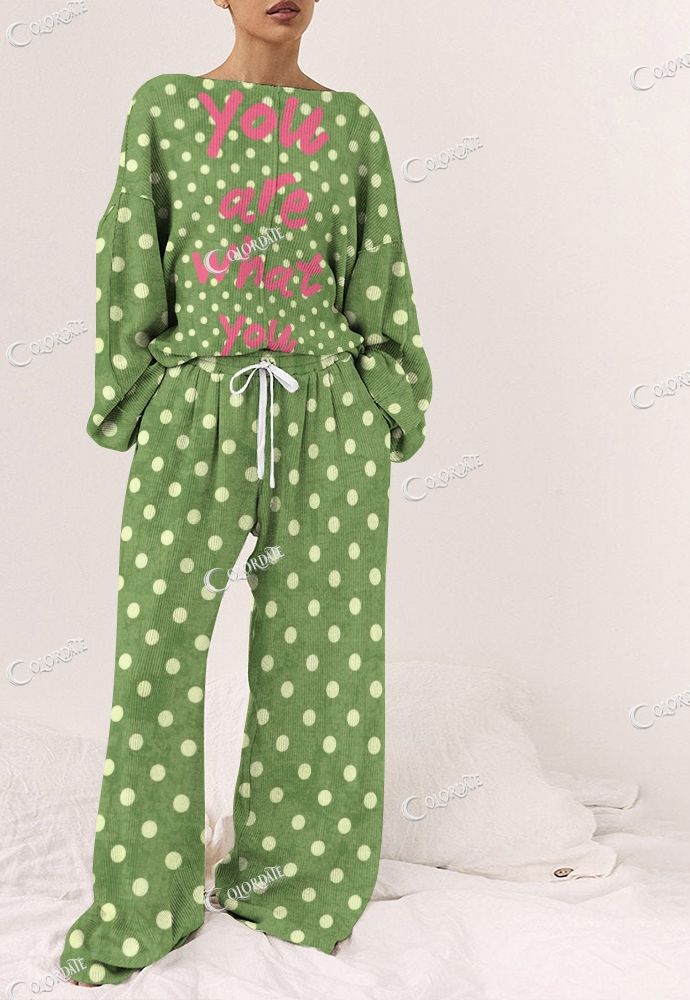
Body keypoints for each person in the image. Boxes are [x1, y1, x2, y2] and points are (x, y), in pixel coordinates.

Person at [62, 0, 433, 986]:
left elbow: (381, 273)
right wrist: (141, 392)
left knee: (325, 658)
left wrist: (385, 399)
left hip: (329, 414)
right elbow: (127, 251)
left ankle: (293, 884)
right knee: (156, 653)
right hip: (195, 405)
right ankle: (143, 899)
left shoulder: (349, 124)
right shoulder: (166, 107)